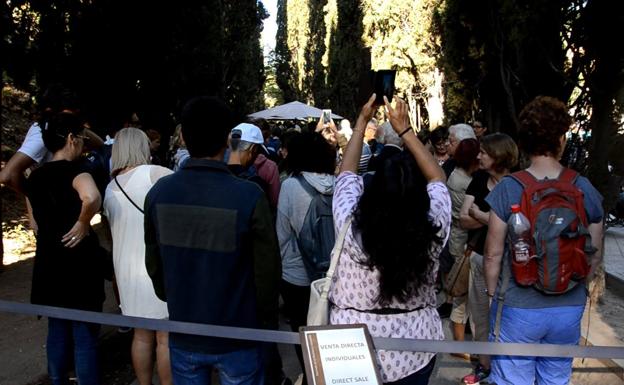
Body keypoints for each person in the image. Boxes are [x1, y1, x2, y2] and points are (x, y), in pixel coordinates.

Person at [145, 96, 281, 385]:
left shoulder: (159, 194)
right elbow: (266, 274)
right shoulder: (248, 196)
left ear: (182, 136)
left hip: (185, 330)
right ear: (228, 139)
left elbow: (155, 266)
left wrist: (178, 298)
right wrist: (261, 318)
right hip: (239, 333)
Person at [329, 94, 451, 384]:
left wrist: (360, 123)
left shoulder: (348, 222)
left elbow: (346, 174)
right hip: (415, 348)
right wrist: (405, 131)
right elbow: (437, 180)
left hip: (351, 347)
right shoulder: (433, 226)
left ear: (371, 190)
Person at [484, 96, 603, 385]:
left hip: (519, 304)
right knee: (556, 377)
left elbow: (493, 255)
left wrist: (493, 297)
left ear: (523, 141)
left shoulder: (509, 188)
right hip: (569, 305)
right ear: (562, 139)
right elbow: (594, 253)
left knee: (513, 378)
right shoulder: (582, 186)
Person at [25, 110, 105, 385]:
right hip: (78, 260)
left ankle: (57, 380)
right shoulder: (77, 170)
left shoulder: (34, 177)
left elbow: (34, 220)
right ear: (71, 138)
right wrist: (83, 222)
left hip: (48, 260)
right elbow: (91, 196)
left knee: (57, 328)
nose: (83, 143)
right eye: (81, 138)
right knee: (84, 334)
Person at [103, 128, 173, 385]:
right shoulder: (156, 174)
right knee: (165, 337)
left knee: (141, 335)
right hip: (156, 268)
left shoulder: (110, 187)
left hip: (126, 271)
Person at [276, 131, 336, 383]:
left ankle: (312, 375)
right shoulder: (340, 183)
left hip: (298, 276)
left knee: (303, 331)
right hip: (335, 274)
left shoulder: (290, 186)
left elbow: (282, 234)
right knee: (333, 331)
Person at [458, 133, 518, 385]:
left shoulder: (517, 183)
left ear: (499, 155)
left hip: (511, 264)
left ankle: (506, 367)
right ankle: (483, 366)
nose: (479, 156)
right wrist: (498, 220)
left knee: (510, 319)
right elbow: (463, 217)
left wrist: (482, 215)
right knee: (481, 316)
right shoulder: (479, 179)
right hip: (480, 257)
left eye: (484, 152)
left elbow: (518, 228)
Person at [446, 138, 480, 351]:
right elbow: (465, 217)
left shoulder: (457, 175)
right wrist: (492, 219)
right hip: (464, 243)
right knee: (463, 294)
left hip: (459, 239)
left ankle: (461, 342)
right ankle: (460, 345)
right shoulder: (464, 182)